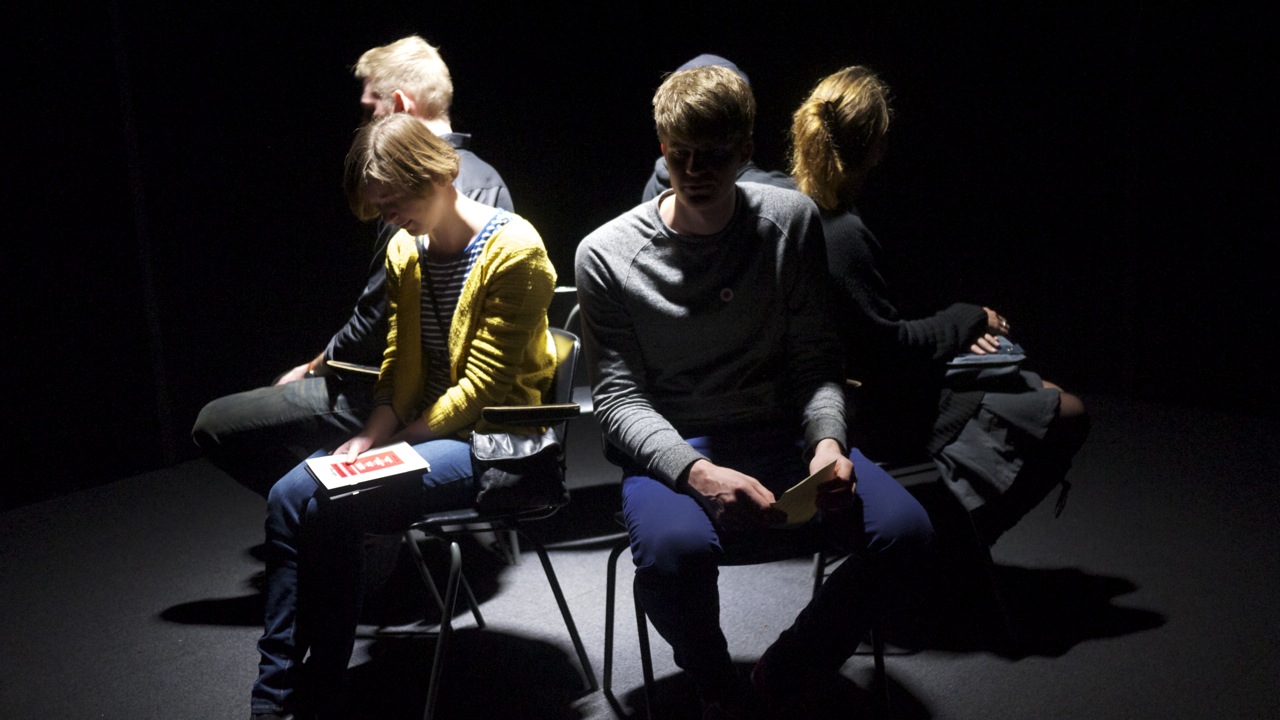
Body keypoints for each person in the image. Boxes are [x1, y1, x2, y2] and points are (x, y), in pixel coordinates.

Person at [575, 65, 934, 719]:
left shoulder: (791, 221)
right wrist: (698, 473)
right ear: (662, 146)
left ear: (744, 150)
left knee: (907, 534)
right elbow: (620, 401)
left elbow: (816, 362)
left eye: (712, 155)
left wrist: (827, 443)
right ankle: (718, 686)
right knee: (673, 555)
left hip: (781, 435)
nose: (693, 170)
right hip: (678, 445)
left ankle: (790, 668)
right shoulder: (606, 253)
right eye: (679, 153)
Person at [248, 112, 557, 720]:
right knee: (288, 497)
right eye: (380, 208)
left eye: (394, 203)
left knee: (333, 502)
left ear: (438, 175)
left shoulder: (516, 250)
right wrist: (371, 435)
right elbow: (396, 364)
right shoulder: (404, 250)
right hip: (423, 432)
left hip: (494, 441)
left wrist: (396, 445)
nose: (388, 218)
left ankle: (299, 693)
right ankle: (280, 694)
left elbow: (481, 390)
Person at [193, 35, 513, 497]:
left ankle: (337, 507)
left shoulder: (440, 196)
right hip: (400, 387)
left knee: (215, 423)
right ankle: (330, 504)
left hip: (411, 394)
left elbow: (379, 327)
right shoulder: (482, 177)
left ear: (399, 104)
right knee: (286, 467)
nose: (363, 125)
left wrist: (316, 368)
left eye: (368, 111)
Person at [788, 65, 1089, 546]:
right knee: (1067, 411)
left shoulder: (795, 205)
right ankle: (961, 544)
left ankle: (954, 543)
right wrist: (971, 319)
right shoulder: (840, 233)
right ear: (877, 147)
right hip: (873, 408)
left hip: (852, 389)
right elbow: (889, 349)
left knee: (1038, 389)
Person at [640, 54, 793, 203]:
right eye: (681, 152)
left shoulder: (657, 184)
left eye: (713, 152)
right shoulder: (779, 193)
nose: (694, 170)